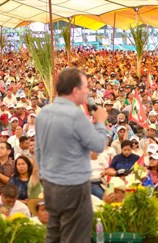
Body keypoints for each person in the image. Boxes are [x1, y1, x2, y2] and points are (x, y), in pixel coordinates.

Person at [35, 67, 108, 243]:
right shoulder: (76, 115)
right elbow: (98, 145)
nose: (87, 92)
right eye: (85, 88)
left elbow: (38, 151)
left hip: (51, 184)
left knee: (54, 232)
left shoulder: (43, 113)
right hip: (73, 187)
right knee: (74, 236)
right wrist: (100, 122)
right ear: (75, 91)